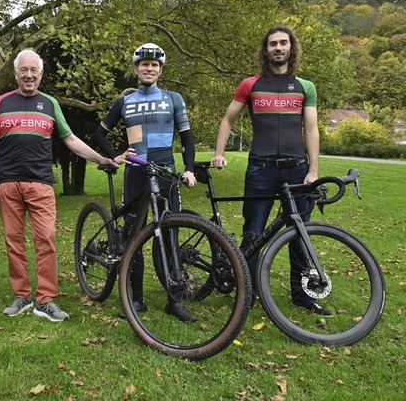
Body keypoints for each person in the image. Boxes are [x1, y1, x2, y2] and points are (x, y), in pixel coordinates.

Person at [0, 49, 116, 322]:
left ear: (41, 75)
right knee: (14, 243)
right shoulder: (1, 102)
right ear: (16, 73)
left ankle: (45, 300)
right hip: (8, 183)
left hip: (41, 184)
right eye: (24, 70)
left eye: (34, 70)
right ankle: (21, 296)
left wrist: (101, 158)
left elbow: (70, 139)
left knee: (46, 240)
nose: (29, 75)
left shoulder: (50, 103)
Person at [210, 26, 331, 316]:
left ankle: (301, 295)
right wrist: (218, 153)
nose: (278, 48)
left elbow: (311, 129)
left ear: (292, 48)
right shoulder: (250, 84)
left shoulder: (306, 86)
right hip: (260, 169)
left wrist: (313, 170)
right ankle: (247, 292)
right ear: (266, 50)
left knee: (299, 234)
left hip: (297, 169)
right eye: (273, 44)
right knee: (253, 232)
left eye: (283, 43)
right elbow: (228, 120)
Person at [92, 43, 198, 322]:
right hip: (136, 170)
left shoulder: (173, 98)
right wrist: (115, 156)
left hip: (165, 170)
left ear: (160, 70)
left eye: (154, 65)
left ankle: (174, 300)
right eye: (144, 64)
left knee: (171, 231)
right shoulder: (124, 101)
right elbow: (99, 133)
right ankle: (136, 300)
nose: (149, 68)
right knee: (132, 235)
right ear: (136, 69)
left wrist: (188, 170)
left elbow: (186, 138)